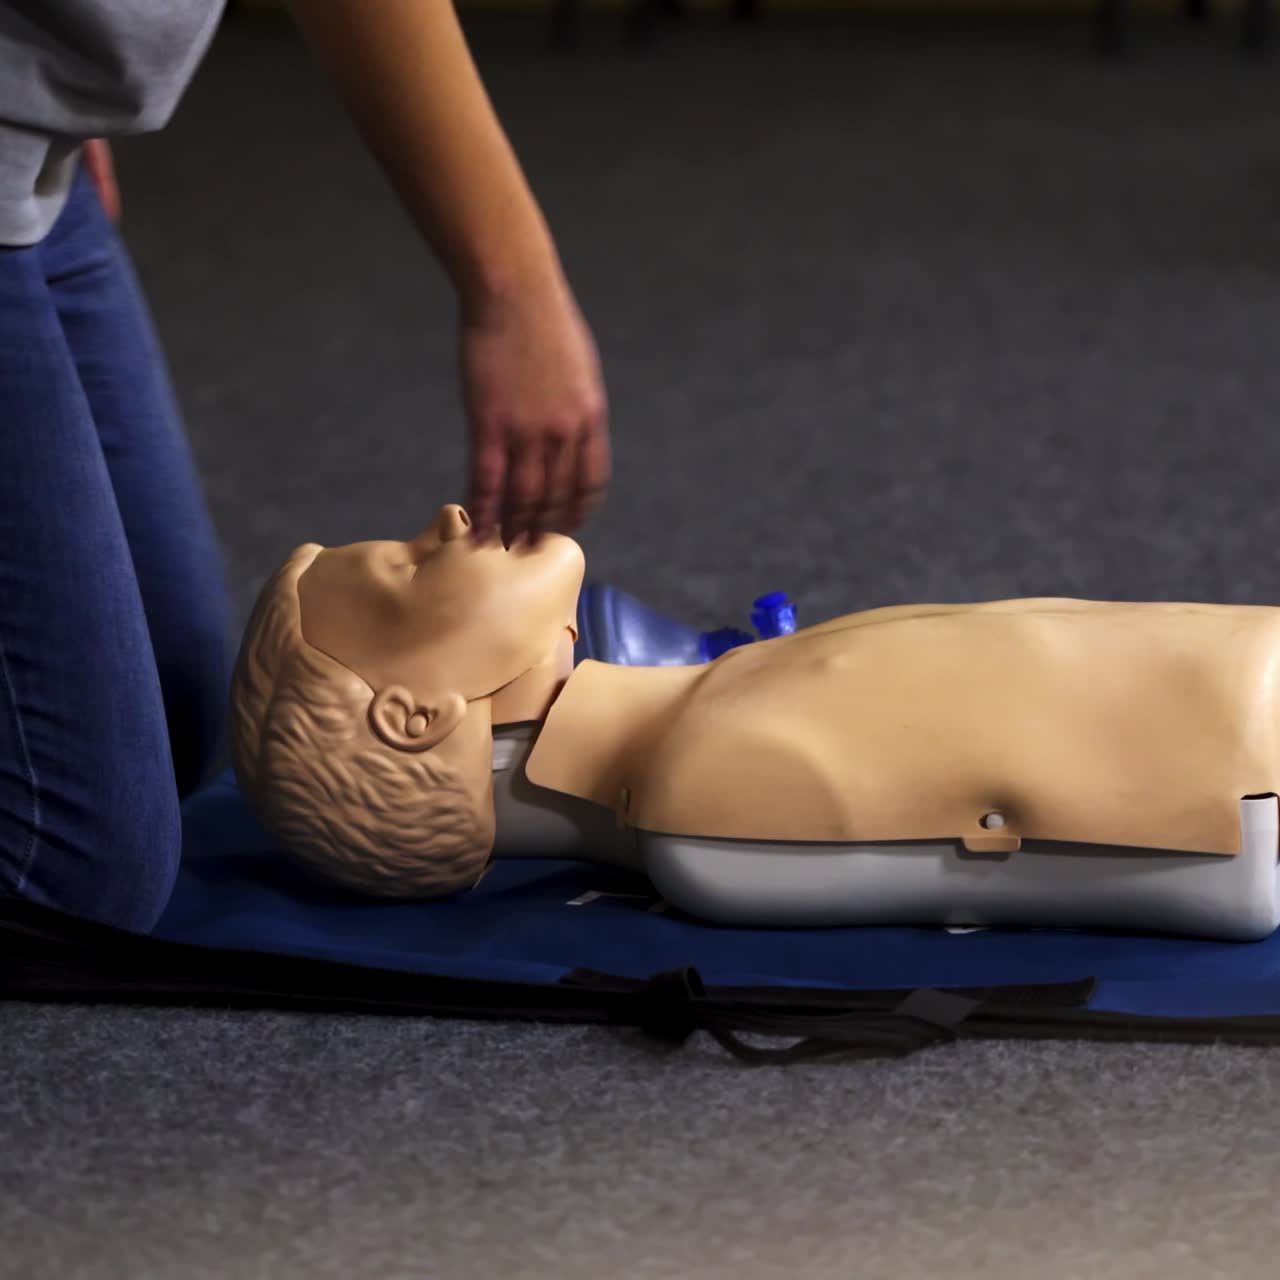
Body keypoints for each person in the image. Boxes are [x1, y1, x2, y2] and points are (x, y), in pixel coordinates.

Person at [0, 2, 610, 933]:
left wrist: (57, 80)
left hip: (40, 133)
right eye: (409, 564)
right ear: (415, 720)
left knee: (175, 724)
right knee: (71, 866)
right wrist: (514, 288)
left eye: (404, 564)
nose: (446, 515)